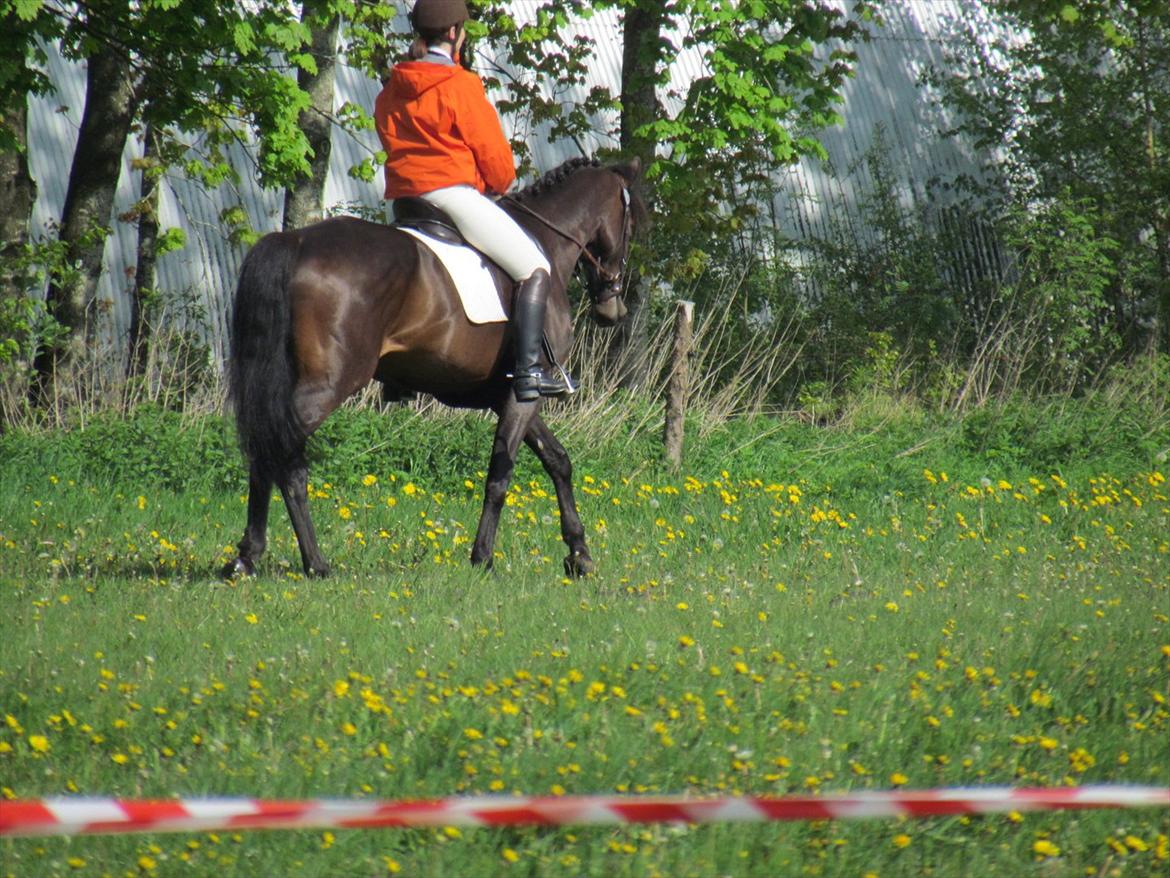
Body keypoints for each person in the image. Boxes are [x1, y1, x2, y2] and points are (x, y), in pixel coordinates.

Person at [374, 0, 570, 401]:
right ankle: (530, 371)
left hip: (406, 204)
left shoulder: (392, 87)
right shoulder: (460, 85)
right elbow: (498, 163)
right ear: (453, 34)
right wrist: (494, 183)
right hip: (451, 198)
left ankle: (396, 377)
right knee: (533, 266)